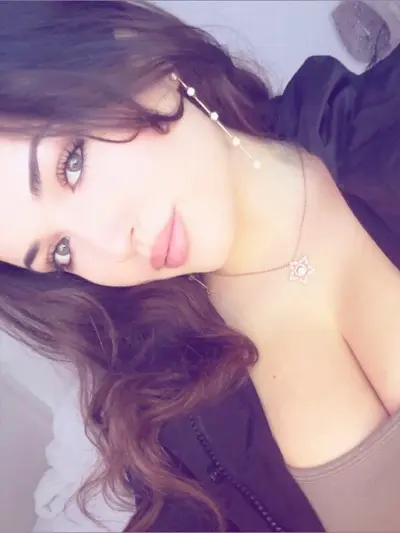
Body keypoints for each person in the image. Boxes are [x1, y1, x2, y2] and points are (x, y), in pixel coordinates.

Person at [1, 1, 400, 531]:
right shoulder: (167, 405)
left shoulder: (381, 127)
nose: (112, 244)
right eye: (61, 250)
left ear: (132, 58)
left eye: (71, 165)